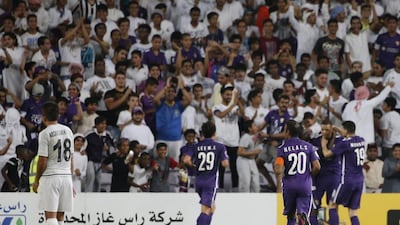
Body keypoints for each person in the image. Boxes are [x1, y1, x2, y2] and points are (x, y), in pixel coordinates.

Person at [32, 101, 75, 225]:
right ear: (58, 115)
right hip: (66, 176)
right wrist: (70, 180)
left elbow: (42, 161)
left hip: (51, 176)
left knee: (50, 215)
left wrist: (36, 181)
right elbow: (72, 158)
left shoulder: (44, 134)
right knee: (61, 215)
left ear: (43, 117)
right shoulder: (68, 131)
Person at [183, 121, 229, 225]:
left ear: (202, 133)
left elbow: (186, 160)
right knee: (206, 209)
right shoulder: (220, 146)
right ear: (214, 133)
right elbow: (225, 164)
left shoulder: (196, 146)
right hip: (211, 182)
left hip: (198, 181)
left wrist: (194, 166)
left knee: (212, 207)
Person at [275, 120, 320, 225]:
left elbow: (278, 170)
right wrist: (308, 175)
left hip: (289, 185)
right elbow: (317, 166)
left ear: (287, 132)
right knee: (302, 213)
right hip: (305, 184)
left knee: (290, 215)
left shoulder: (282, 148)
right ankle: (302, 218)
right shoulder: (308, 146)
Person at [321, 121, 366, 225]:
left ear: (346, 130)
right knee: (353, 212)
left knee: (332, 204)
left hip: (346, 179)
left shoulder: (345, 144)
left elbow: (327, 154)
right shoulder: (361, 140)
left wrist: (323, 145)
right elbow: (347, 135)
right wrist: (337, 129)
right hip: (359, 180)